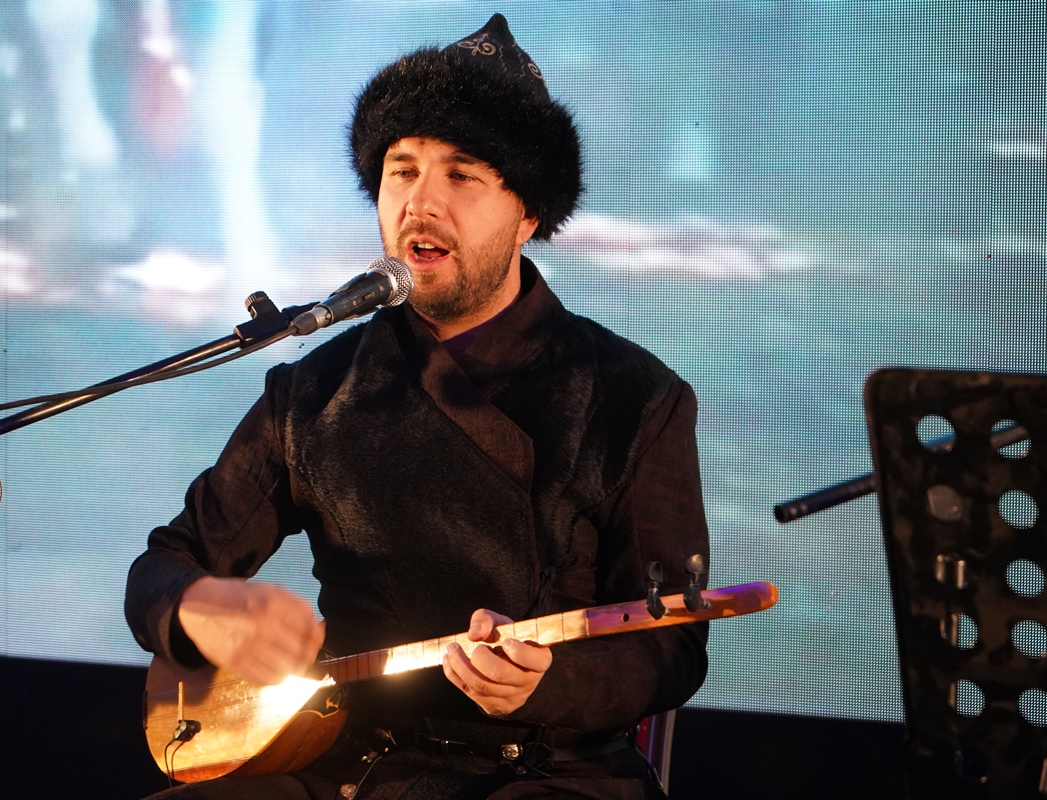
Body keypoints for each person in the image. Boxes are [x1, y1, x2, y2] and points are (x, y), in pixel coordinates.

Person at [125, 14, 710, 799]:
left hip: (546, 774)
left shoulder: (634, 396)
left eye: (462, 175)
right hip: (351, 761)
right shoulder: (316, 390)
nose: (420, 203)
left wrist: (546, 684)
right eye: (401, 172)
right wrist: (201, 606)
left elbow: (672, 647)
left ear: (527, 214)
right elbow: (164, 565)